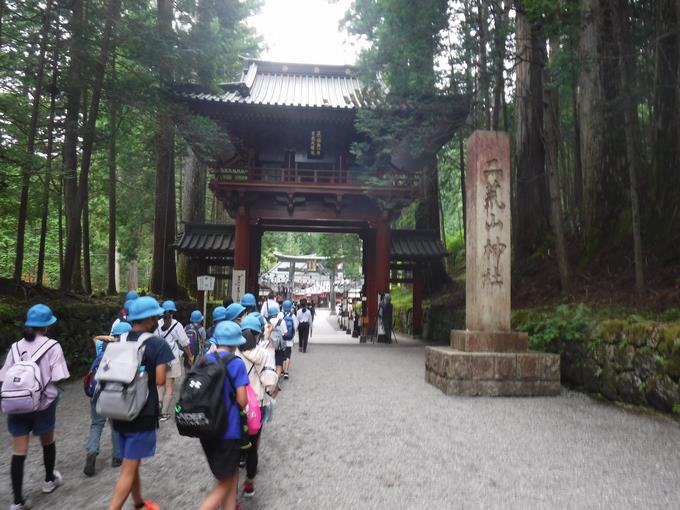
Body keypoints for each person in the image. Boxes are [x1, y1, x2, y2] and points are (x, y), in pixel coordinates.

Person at [0, 304, 70, 510]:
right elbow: (59, 376)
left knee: (18, 450)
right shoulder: (53, 346)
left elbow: (4, 376)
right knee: (48, 440)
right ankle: (49, 480)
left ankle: (17, 501)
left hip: (16, 404)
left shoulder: (15, 347)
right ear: (47, 326)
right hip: (43, 405)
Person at [108, 297, 174, 510]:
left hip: (117, 408)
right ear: (150, 319)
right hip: (142, 410)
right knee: (128, 468)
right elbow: (161, 380)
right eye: (156, 315)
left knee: (131, 461)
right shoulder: (157, 344)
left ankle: (138, 502)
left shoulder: (120, 338)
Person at [197, 321, 249, 510]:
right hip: (229, 429)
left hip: (207, 427)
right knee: (224, 483)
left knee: (230, 474)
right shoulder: (236, 363)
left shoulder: (204, 359)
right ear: (235, 343)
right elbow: (242, 400)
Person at [83, 321, 131, 477]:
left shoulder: (101, 347)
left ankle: (91, 451)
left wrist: (110, 338)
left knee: (96, 423)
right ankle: (117, 457)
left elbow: (96, 338)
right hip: (114, 392)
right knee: (116, 424)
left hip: (97, 390)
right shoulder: (127, 352)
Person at [238, 316, 269, 498]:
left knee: (235, 442)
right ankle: (249, 483)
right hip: (256, 403)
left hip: (238, 403)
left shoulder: (233, 354)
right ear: (258, 335)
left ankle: (231, 490)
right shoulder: (264, 354)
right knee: (253, 445)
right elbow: (269, 378)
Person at [155, 300, 194, 422]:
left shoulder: (156, 324)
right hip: (172, 359)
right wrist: (190, 356)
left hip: (159, 360)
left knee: (159, 385)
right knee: (169, 387)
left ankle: (157, 407)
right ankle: (164, 413)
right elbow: (185, 343)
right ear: (173, 313)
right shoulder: (177, 325)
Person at [281, 300, 298, 379]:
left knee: (282, 355)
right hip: (289, 339)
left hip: (281, 339)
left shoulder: (280, 315)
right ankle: (286, 371)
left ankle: (282, 369)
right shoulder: (293, 316)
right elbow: (295, 327)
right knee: (288, 355)